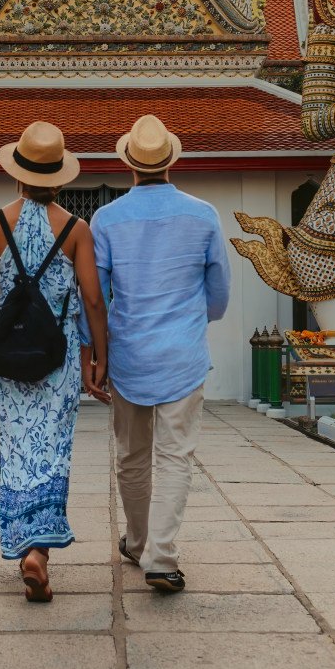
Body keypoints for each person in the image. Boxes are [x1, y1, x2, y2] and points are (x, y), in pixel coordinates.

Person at [0, 121, 110, 602]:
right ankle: (39, 553)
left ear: (18, 174)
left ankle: (22, 543)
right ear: (59, 178)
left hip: (7, 357)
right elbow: (93, 300)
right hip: (59, 360)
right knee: (52, 448)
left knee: (16, 446)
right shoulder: (76, 229)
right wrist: (100, 358)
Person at [90, 114, 230, 594]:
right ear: (172, 159)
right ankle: (161, 557)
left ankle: (138, 539)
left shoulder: (105, 219)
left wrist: (99, 355)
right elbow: (219, 296)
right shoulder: (204, 214)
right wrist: (191, 323)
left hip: (128, 353)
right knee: (175, 456)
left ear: (128, 163)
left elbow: (98, 296)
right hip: (182, 355)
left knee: (131, 455)